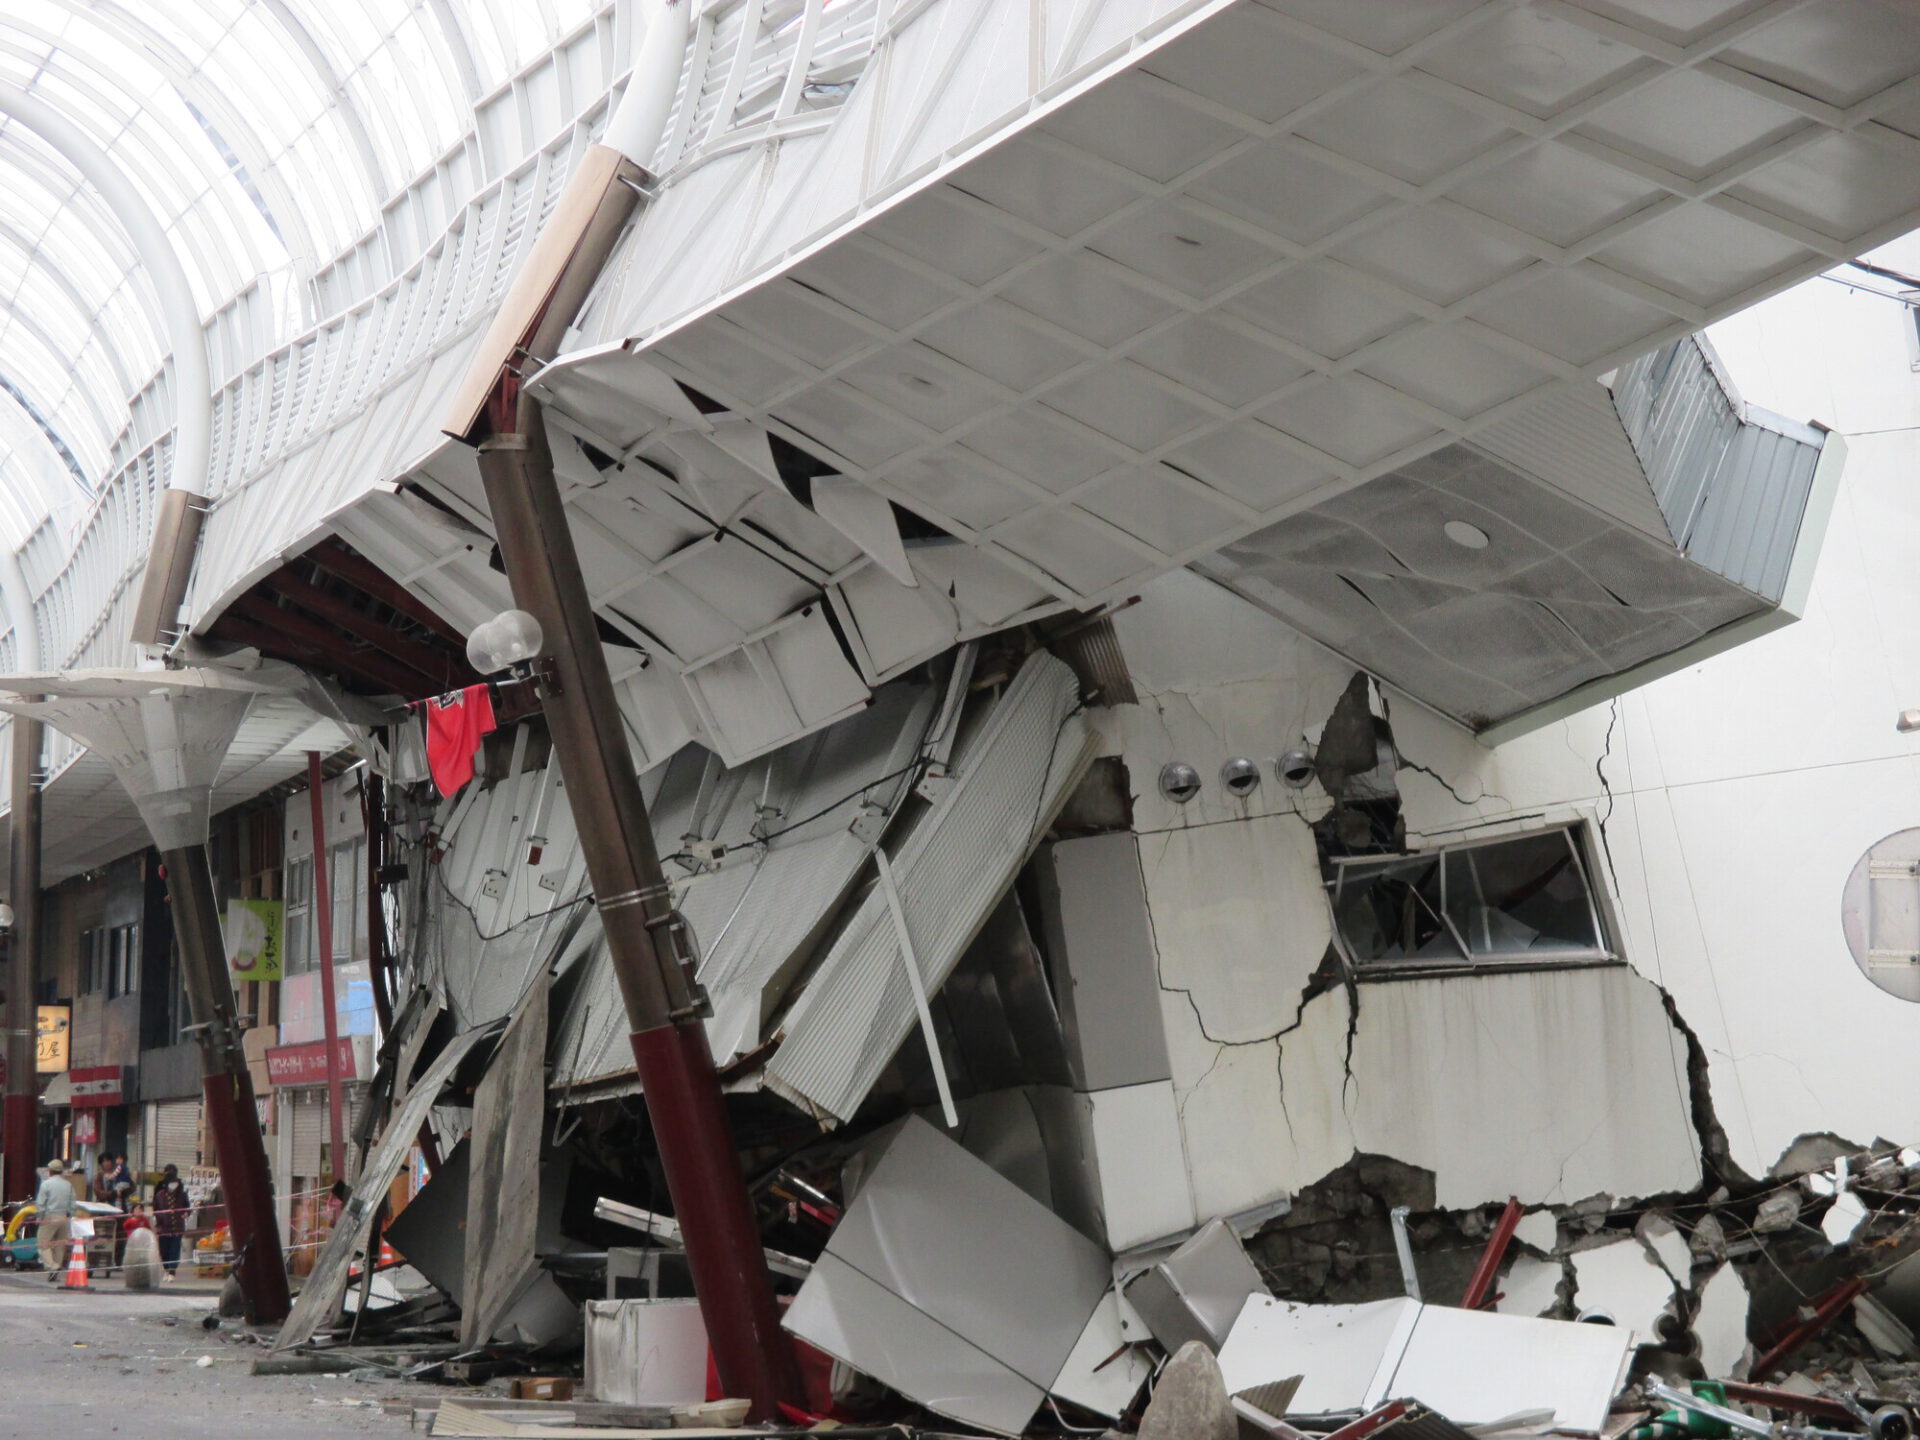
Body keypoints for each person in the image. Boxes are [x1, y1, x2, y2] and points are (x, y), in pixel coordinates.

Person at [33, 1159, 75, 1281]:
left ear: (50, 1171)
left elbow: (41, 1203)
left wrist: (39, 1217)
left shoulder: (46, 1184)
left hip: (49, 1217)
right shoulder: (68, 1185)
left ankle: (53, 1266)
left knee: (42, 1243)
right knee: (59, 1245)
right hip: (64, 1217)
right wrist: (70, 1216)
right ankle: (55, 1269)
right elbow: (73, 1203)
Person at [152, 1164, 188, 1282]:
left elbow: (187, 1207)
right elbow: (155, 1208)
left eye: (175, 1183)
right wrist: (158, 1218)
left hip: (177, 1226)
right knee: (164, 1250)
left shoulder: (182, 1194)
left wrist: (186, 1213)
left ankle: (172, 1271)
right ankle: (166, 1269)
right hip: (163, 1228)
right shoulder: (160, 1195)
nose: (174, 1185)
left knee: (174, 1249)